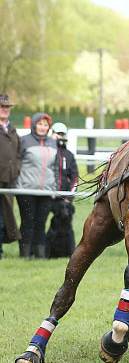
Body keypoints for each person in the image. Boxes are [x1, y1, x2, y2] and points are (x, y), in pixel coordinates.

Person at [14, 113, 58, 258]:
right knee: (27, 222)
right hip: (26, 189)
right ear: (34, 125)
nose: (42, 127)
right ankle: (25, 254)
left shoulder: (52, 142)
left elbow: (56, 167)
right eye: (40, 124)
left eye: (45, 125)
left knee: (41, 223)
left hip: (46, 191)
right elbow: (16, 163)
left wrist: (55, 186)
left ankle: (40, 255)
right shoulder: (24, 141)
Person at [45, 122, 79, 258]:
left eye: (62, 134)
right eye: (57, 133)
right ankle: (40, 251)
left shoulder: (69, 155)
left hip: (63, 199)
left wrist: (68, 197)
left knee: (65, 226)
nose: (59, 136)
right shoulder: (47, 152)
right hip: (47, 196)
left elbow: (75, 176)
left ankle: (68, 251)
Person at [0, 93, 22, 259]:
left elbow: (18, 154)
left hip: (8, 182)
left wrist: (16, 170)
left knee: (5, 216)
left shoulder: (13, 130)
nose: (5, 109)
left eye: (7, 107)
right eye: (2, 106)